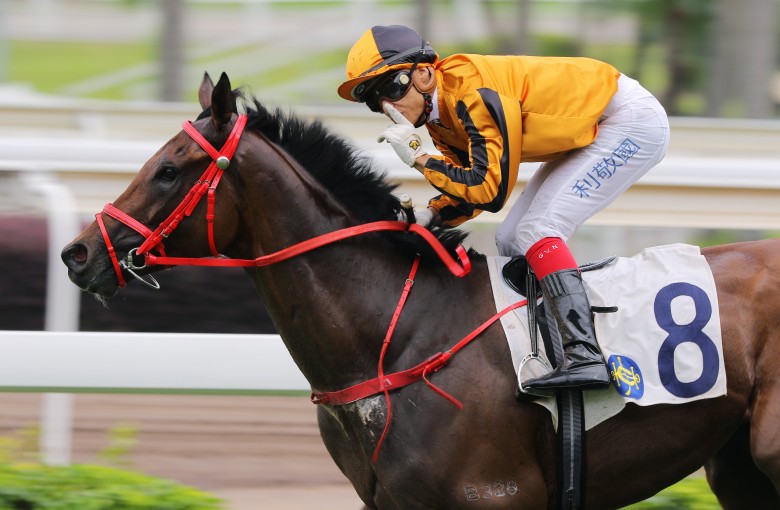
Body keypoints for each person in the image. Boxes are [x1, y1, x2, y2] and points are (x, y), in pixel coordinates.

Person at [337, 25, 669, 393]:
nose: (388, 106)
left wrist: (419, 159)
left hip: (628, 121)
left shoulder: (473, 93)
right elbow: (469, 193)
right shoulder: (441, 118)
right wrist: (429, 214)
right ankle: (548, 350)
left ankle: (585, 355)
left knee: (538, 231)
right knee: (510, 238)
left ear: (424, 73)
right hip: (594, 126)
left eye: (392, 88)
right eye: (374, 100)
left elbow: (490, 190)